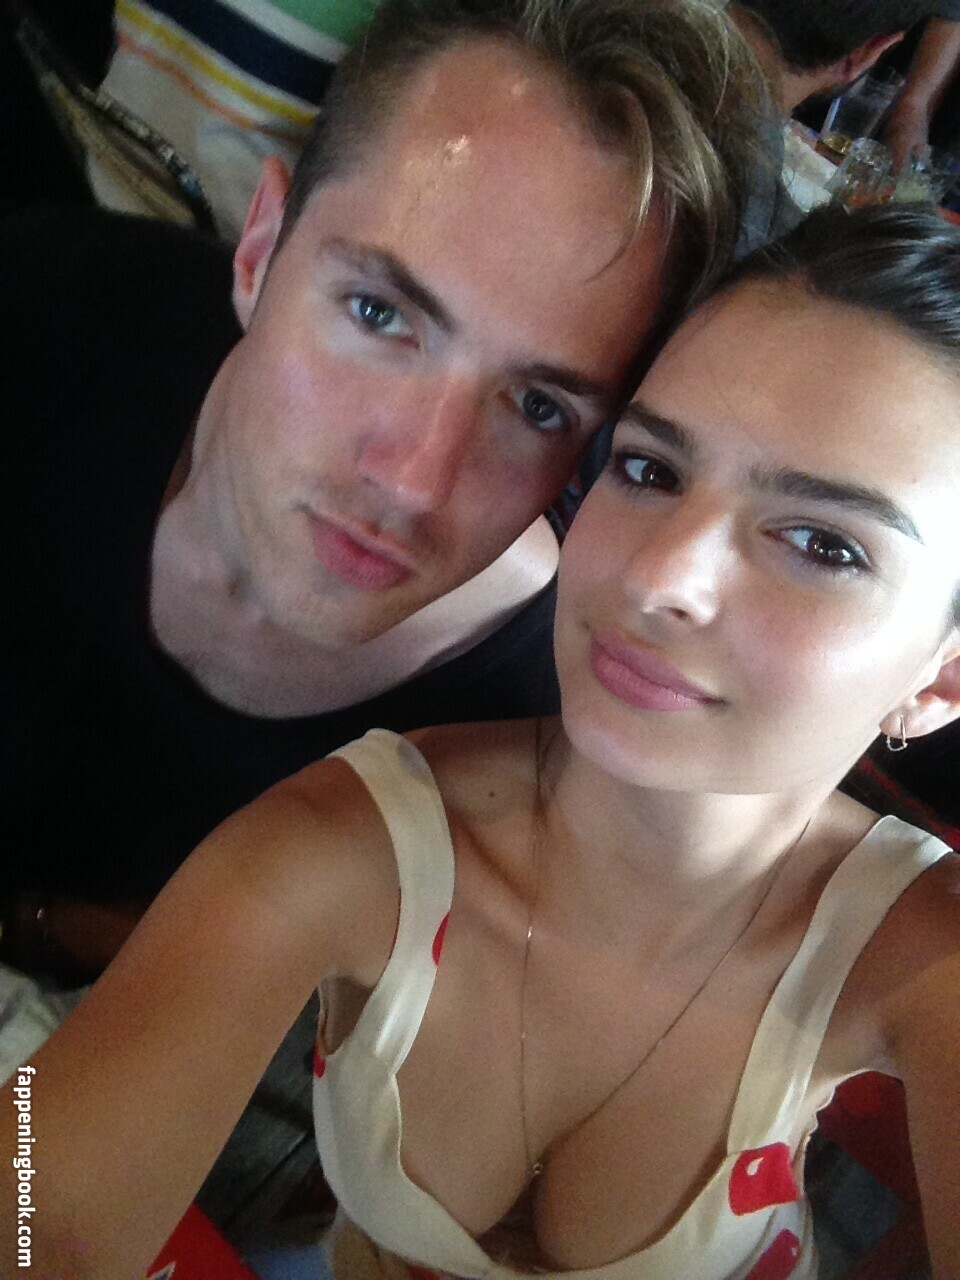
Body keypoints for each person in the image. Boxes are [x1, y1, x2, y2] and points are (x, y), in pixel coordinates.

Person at [7, 202, 960, 1280]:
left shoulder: (924, 951)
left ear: (943, 676)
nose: (659, 578)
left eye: (824, 544)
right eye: (651, 470)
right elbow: (41, 1194)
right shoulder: (349, 840)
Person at [0, 0, 771, 976]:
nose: (412, 482)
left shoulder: (535, 730)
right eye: (377, 313)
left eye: (538, 406)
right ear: (259, 250)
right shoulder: (46, 312)